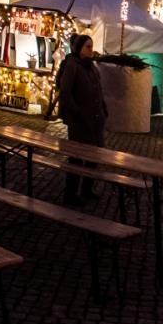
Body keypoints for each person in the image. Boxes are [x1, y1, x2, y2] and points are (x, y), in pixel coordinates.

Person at [55, 34, 108, 206]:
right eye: (88, 47)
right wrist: (75, 112)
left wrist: (103, 107)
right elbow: (65, 92)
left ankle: (86, 189)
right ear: (79, 48)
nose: (91, 50)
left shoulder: (91, 67)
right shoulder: (72, 66)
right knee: (76, 157)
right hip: (79, 121)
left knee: (94, 156)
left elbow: (97, 89)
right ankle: (70, 194)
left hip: (95, 119)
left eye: (91, 47)